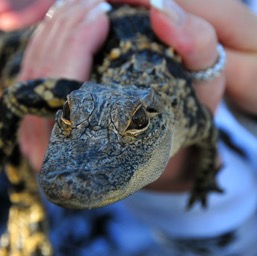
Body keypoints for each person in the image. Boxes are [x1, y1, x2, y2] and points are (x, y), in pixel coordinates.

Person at [1, 0, 257, 254]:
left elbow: (207, 137)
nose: (68, 183)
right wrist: (24, 197)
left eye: (135, 123)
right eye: (68, 115)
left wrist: (192, 179)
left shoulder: (190, 116)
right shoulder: (79, 94)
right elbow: (12, 99)